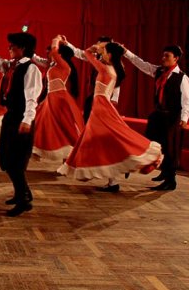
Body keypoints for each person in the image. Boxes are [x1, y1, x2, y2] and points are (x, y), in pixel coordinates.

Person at [58, 43, 162, 191]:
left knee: (105, 140)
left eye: (104, 51)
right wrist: (101, 48)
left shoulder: (105, 69)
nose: (102, 54)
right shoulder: (113, 69)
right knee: (108, 141)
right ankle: (113, 180)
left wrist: (94, 47)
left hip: (101, 108)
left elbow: (87, 53)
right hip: (102, 106)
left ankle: (113, 171)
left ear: (110, 55)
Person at [0, 32, 43, 217]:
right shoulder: (12, 65)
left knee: (16, 161)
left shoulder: (31, 69)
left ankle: (23, 200)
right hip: (11, 116)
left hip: (21, 118)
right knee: (5, 157)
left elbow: (32, 98)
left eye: (12, 46)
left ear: (23, 48)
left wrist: (27, 120)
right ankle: (23, 193)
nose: (9, 48)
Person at [123, 44, 189, 191]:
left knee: (170, 148)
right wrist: (126, 52)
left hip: (172, 117)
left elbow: (186, 100)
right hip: (159, 114)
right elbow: (141, 64)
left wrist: (184, 119)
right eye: (163, 55)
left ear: (176, 59)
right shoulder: (159, 71)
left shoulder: (182, 77)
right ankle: (162, 171)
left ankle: (170, 181)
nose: (163, 58)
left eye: (167, 56)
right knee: (152, 143)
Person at [32, 36, 84, 161]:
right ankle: (39, 150)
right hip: (51, 97)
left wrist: (57, 39)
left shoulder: (64, 65)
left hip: (59, 98)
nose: (51, 53)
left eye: (53, 51)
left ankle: (68, 155)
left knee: (63, 126)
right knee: (43, 122)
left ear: (60, 54)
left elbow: (54, 52)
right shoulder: (54, 64)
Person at [62, 35, 118, 121]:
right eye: (98, 45)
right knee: (88, 111)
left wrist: (115, 98)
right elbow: (80, 53)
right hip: (94, 91)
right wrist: (67, 44)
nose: (98, 48)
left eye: (101, 46)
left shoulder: (113, 62)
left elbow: (117, 80)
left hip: (105, 93)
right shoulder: (96, 56)